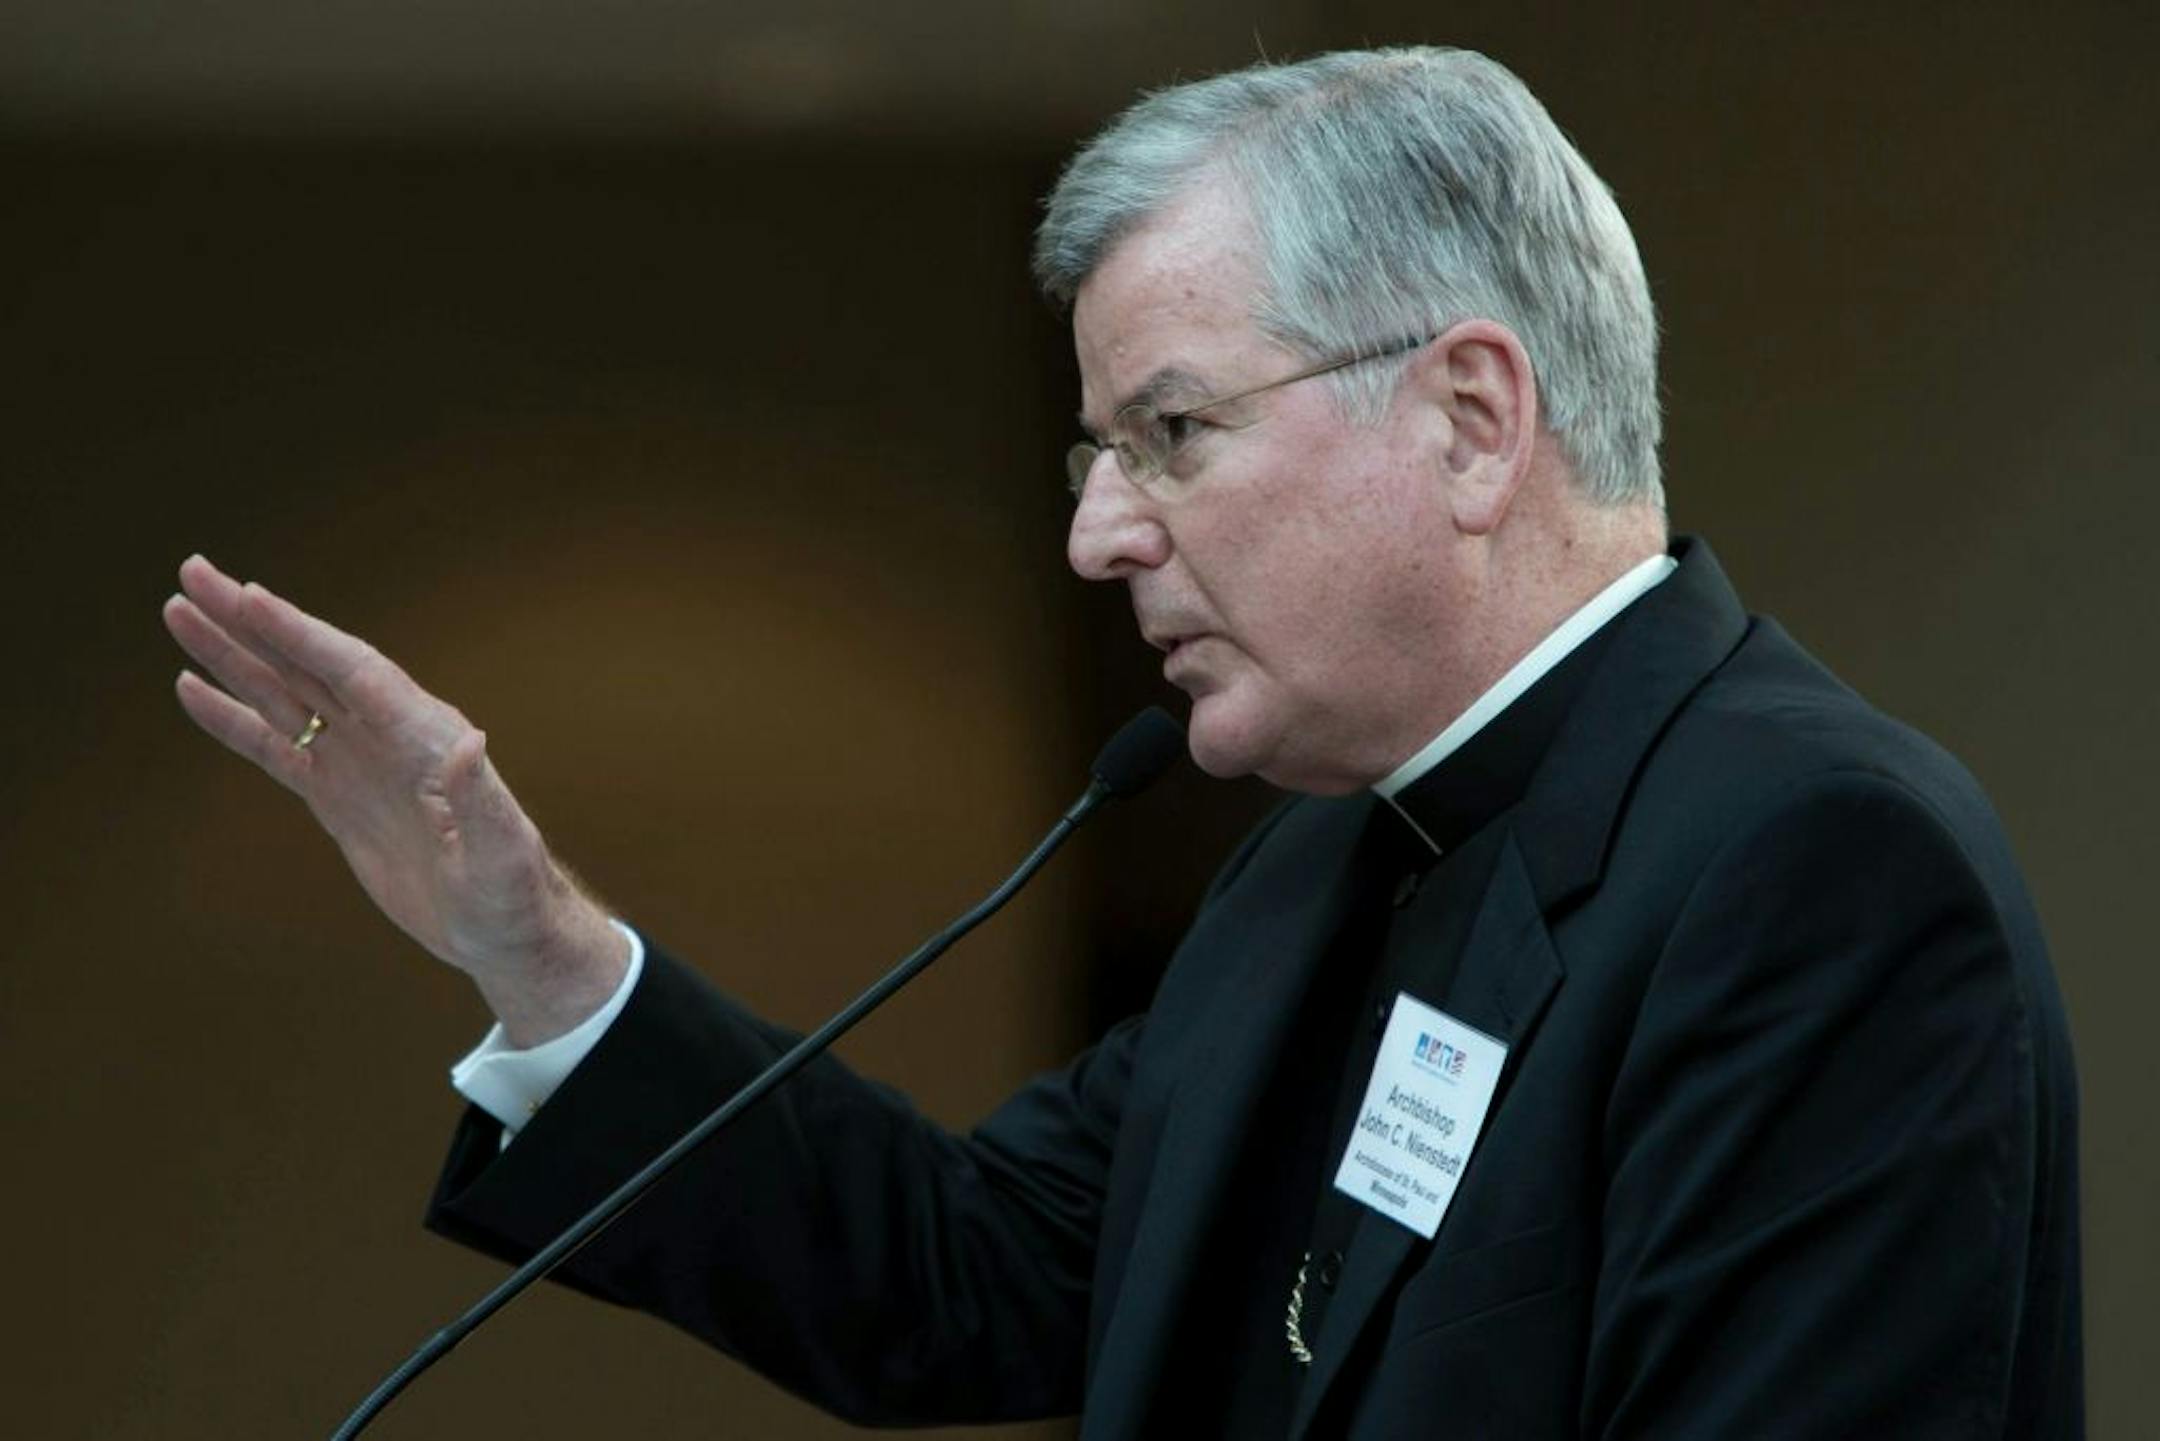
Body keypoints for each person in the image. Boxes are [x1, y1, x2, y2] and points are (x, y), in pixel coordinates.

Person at [163, 46, 2080, 1439]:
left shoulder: (1815, 868)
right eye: (1096, 453)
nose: (1100, 532)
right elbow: (974, 1275)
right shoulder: (1327, 850)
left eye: (1170, 435)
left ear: (1474, 420)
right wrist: (537, 951)